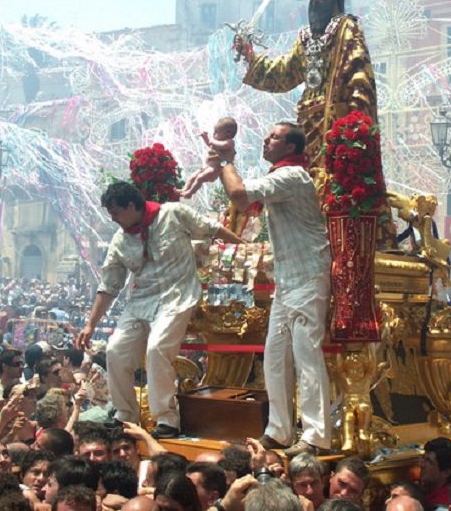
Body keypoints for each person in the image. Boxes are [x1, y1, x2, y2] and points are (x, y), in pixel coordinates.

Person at [234, 0, 395, 249]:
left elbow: (360, 83)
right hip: (308, 129)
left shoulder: (347, 29)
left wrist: (353, 132)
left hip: (336, 128)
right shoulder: (306, 38)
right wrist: (250, 56)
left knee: (336, 187)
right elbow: (284, 73)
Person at [78, 181, 243, 439]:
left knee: (156, 349)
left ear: (131, 206)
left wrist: (246, 248)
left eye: (116, 213)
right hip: (140, 302)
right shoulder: (120, 240)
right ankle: (125, 415)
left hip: (177, 297)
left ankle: (166, 419)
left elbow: (212, 229)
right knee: (114, 350)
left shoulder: (173, 213)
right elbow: (109, 285)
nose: (114, 220)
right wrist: (90, 325)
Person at [219, 121, 331, 457]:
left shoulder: (293, 176)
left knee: (306, 357)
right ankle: (279, 431)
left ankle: (315, 436)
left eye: (275, 137)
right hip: (288, 280)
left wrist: (226, 160)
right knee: (275, 358)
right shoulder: (281, 176)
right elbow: (239, 199)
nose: (267, 140)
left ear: (292, 148)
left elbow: (239, 195)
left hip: (309, 274)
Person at [179, 117, 238, 199]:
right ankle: (184, 190)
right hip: (207, 167)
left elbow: (224, 145)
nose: (213, 134)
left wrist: (212, 141)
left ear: (227, 135)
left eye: (216, 132)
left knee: (200, 178)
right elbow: (210, 144)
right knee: (192, 176)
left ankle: (190, 193)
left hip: (216, 169)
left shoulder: (229, 143)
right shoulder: (217, 142)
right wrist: (206, 138)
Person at [418, 437, 451, 509]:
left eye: (429, 462)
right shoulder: (421, 491)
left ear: (446, 473)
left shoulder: (446, 505)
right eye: (423, 458)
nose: (421, 464)